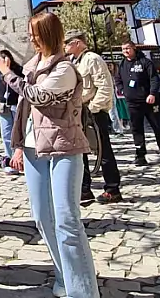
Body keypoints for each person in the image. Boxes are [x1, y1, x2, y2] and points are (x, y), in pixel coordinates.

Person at [0, 13, 100, 298]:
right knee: (43, 217)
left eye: (36, 33)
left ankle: (83, 292)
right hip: (33, 148)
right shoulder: (32, 65)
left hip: (64, 147)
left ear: (49, 34)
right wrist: (18, 146)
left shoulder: (65, 68)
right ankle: (65, 277)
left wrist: (7, 73)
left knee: (67, 220)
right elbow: (24, 111)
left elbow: (36, 96)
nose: (31, 38)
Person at [64, 31, 122, 205]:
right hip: (80, 110)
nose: (65, 46)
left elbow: (105, 86)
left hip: (93, 111)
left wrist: (94, 109)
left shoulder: (92, 59)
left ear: (77, 43)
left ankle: (112, 188)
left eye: (67, 43)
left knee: (103, 150)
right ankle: (84, 189)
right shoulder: (75, 62)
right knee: (81, 151)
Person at [114, 42, 160, 166]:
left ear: (134, 48)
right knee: (136, 129)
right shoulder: (122, 64)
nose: (125, 51)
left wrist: (152, 93)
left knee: (157, 127)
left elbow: (154, 79)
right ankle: (140, 155)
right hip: (132, 103)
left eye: (128, 48)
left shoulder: (146, 62)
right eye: (123, 49)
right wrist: (122, 90)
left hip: (149, 101)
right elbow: (118, 79)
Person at [0, 50, 23, 176]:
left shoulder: (18, 70)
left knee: (18, 133)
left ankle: (21, 161)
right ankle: (11, 162)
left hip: (15, 104)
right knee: (6, 134)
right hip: (3, 106)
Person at [108, 62, 128, 135]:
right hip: (112, 94)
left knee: (116, 111)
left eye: (110, 65)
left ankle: (119, 129)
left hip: (117, 95)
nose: (109, 67)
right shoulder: (107, 74)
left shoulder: (117, 75)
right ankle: (117, 128)